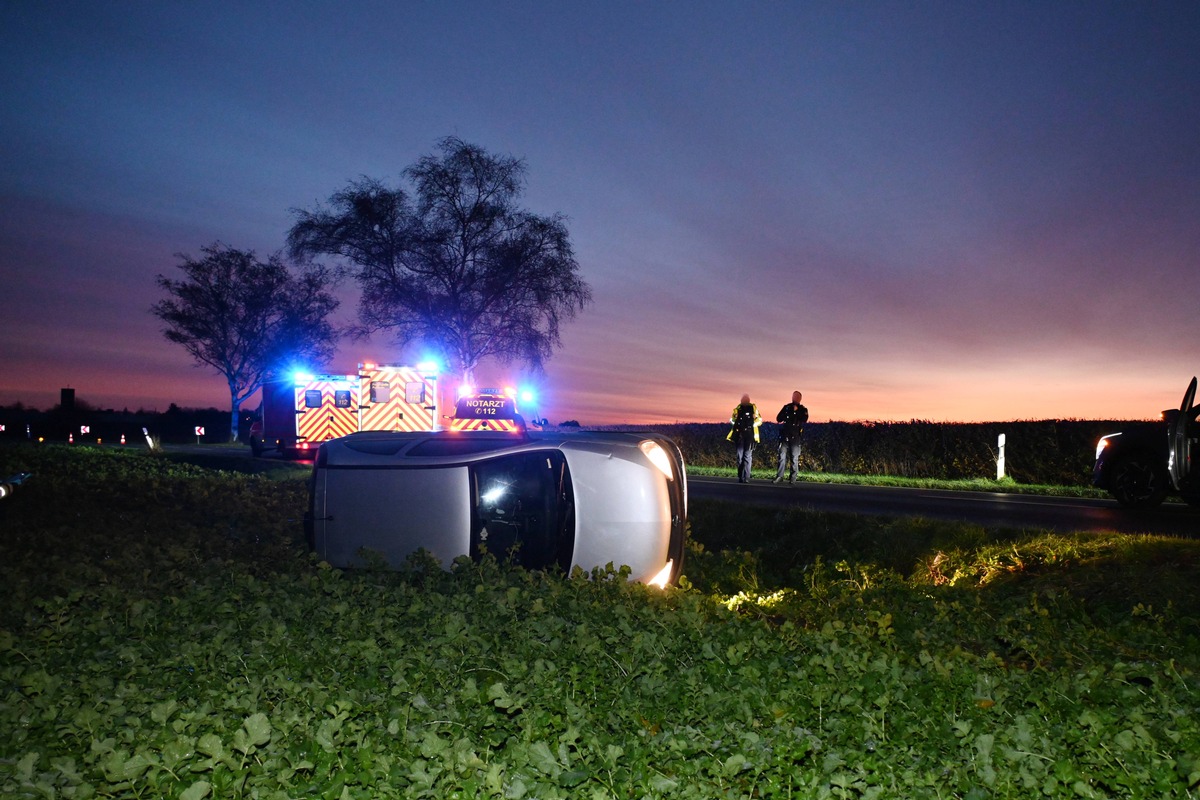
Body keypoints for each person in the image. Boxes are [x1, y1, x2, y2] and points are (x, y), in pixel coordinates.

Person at [773, 391, 809, 484]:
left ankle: (793, 478)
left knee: (794, 458)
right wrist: (787, 413)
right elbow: (778, 418)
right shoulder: (786, 407)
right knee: (781, 456)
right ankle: (779, 476)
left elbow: (804, 419)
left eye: (797, 396)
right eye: (794, 396)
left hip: (795, 436)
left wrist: (796, 412)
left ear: (800, 398)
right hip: (785, 435)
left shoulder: (803, 409)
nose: (795, 398)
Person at [726, 394, 762, 483]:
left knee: (747, 456)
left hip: (749, 435)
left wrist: (751, 424)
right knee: (740, 456)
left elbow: (760, 420)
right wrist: (735, 418)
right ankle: (741, 476)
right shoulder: (738, 409)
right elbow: (732, 421)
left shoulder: (753, 408)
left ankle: (746, 477)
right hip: (740, 435)